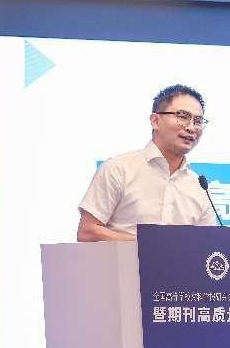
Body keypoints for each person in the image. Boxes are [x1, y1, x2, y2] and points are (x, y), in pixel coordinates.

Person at [77, 84, 218, 241]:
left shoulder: (199, 188)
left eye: (198, 121)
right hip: (119, 258)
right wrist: (151, 245)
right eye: (183, 116)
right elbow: (88, 232)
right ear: (155, 121)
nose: (191, 127)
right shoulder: (119, 169)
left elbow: (208, 245)